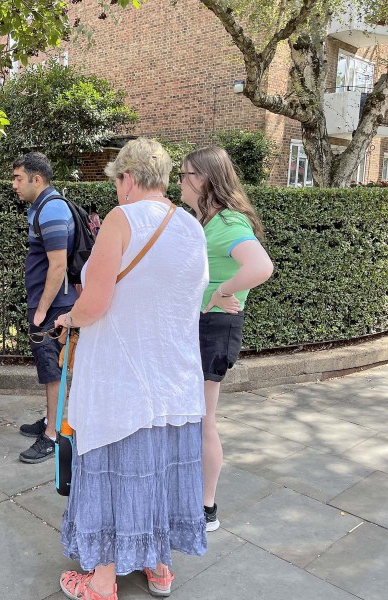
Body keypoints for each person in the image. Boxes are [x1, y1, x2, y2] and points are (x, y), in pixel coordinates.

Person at [52, 138, 208, 600]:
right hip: (176, 379)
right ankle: (159, 568)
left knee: (112, 473)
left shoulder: (121, 220)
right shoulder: (191, 226)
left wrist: (68, 318)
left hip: (122, 378)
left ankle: (102, 582)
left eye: (117, 181)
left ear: (128, 178)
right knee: (160, 471)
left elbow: (95, 303)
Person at [178, 147, 273, 532]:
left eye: (184, 175)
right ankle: (194, 497)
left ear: (203, 179)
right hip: (201, 325)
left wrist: (223, 291)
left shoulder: (229, 221)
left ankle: (206, 508)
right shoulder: (207, 220)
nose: (179, 183)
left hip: (214, 326)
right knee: (194, 417)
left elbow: (261, 266)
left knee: (204, 419)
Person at [12, 152, 76, 463]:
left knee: (53, 370)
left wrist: (41, 310)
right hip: (50, 304)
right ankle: (51, 418)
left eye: (18, 178)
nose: (14, 185)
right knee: (50, 367)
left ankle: (52, 436)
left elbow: (58, 265)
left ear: (37, 179)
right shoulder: (43, 206)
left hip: (53, 307)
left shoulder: (51, 210)